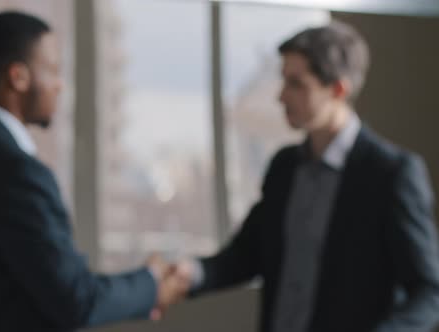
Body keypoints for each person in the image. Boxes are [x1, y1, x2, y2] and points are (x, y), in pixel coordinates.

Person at [0, 11, 186, 332]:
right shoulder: (16, 174)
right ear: (18, 77)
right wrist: (152, 283)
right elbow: (77, 301)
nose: (60, 85)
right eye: (53, 70)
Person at [168, 21, 439, 332]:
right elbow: (245, 255)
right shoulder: (284, 167)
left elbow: (429, 291)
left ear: (338, 89)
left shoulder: (391, 174)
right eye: (283, 81)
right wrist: (192, 272)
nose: (281, 96)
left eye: (296, 84)